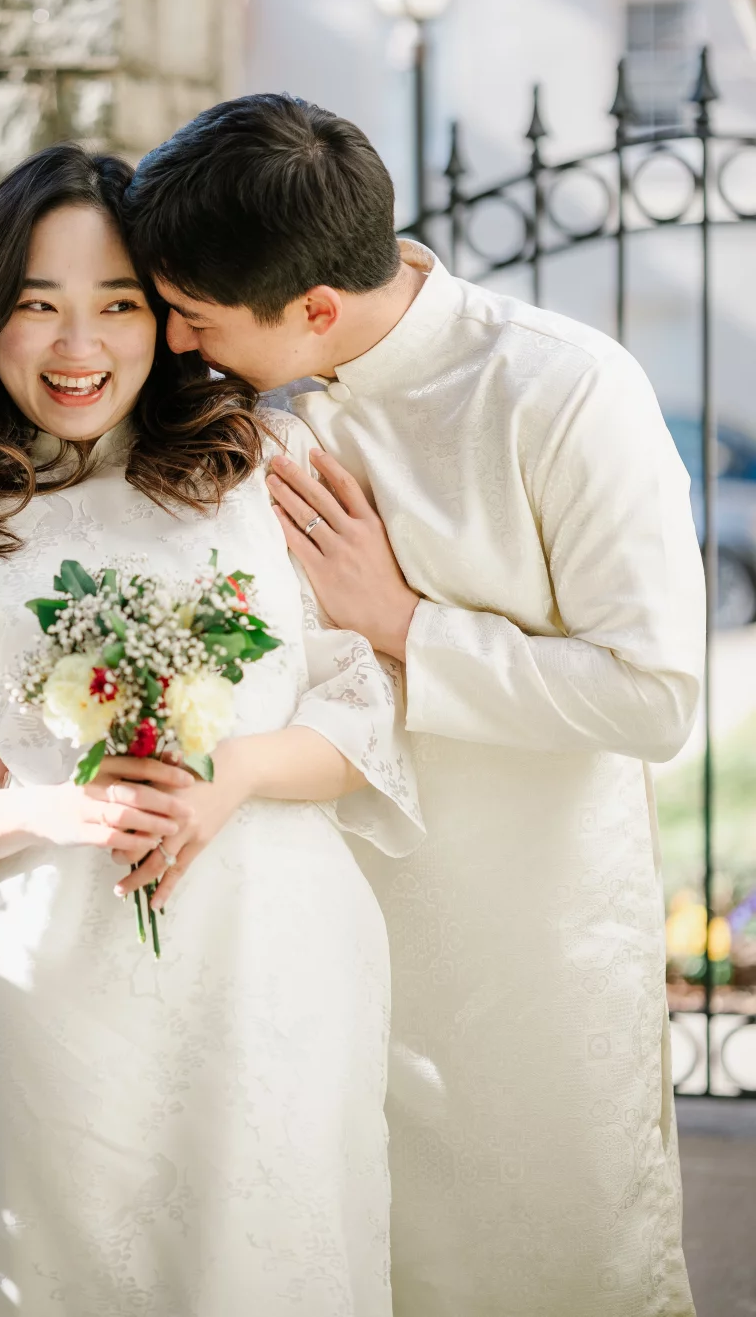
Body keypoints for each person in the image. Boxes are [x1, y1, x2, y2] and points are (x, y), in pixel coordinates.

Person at [120, 94, 707, 1317]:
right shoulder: (231, 404)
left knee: (535, 1256)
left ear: (316, 309)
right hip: (304, 931)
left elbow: (653, 698)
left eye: (195, 316)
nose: (173, 343)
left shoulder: (563, 390)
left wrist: (404, 624)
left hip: (519, 943)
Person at [0, 144, 423, 1315]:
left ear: (168, 320)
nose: (77, 346)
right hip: (54, 990)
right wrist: (41, 808)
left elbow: (367, 705)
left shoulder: (266, 467)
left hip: (277, 959)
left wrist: (231, 774)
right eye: (36, 305)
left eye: (117, 305)